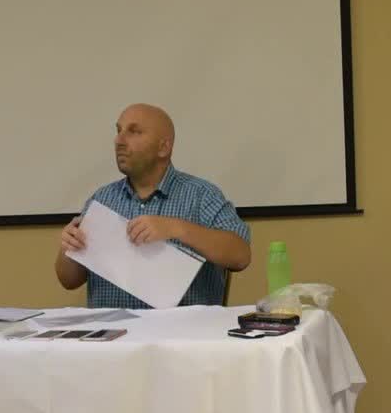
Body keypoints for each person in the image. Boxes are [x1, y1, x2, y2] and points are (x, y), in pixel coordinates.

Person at [55, 103, 251, 309]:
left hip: (181, 328)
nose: (119, 141)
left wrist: (178, 228)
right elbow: (68, 281)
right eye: (119, 131)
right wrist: (69, 247)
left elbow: (240, 256)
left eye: (134, 131)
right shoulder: (102, 199)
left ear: (163, 147)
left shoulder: (201, 195)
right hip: (111, 328)